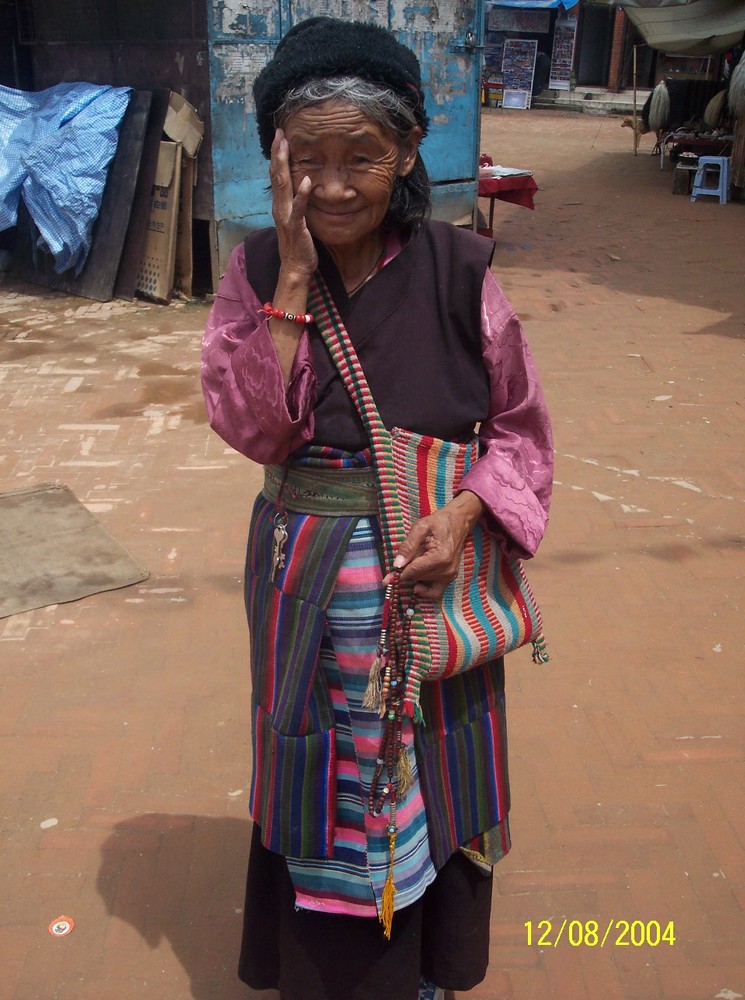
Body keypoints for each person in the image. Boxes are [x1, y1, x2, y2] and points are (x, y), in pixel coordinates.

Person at [201, 17, 553, 1000]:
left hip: (431, 595)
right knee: (322, 779)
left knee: (435, 777)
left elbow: (522, 430)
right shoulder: (258, 274)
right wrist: (299, 277)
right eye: (306, 159)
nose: (334, 183)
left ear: (406, 153)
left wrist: (470, 513)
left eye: (361, 155)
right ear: (275, 159)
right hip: (304, 588)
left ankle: (429, 971)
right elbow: (252, 430)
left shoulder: (461, 274)